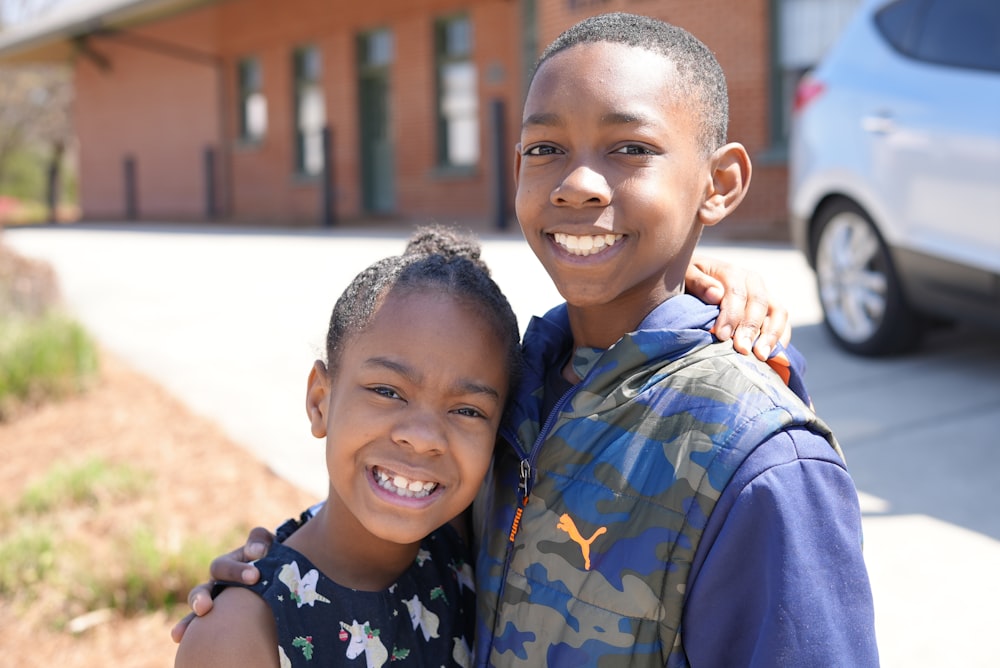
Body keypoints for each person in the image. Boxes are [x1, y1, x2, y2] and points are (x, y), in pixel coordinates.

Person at [177, 12, 879, 666]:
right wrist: (269, 578)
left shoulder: (761, 461)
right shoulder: (519, 384)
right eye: (545, 148)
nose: (576, 184)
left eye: (630, 148)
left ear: (718, 183)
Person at [174, 226, 524, 667]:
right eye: (387, 391)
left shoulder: (463, 544)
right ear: (320, 401)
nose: (422, 437)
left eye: (467, 411)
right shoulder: (241, 634)